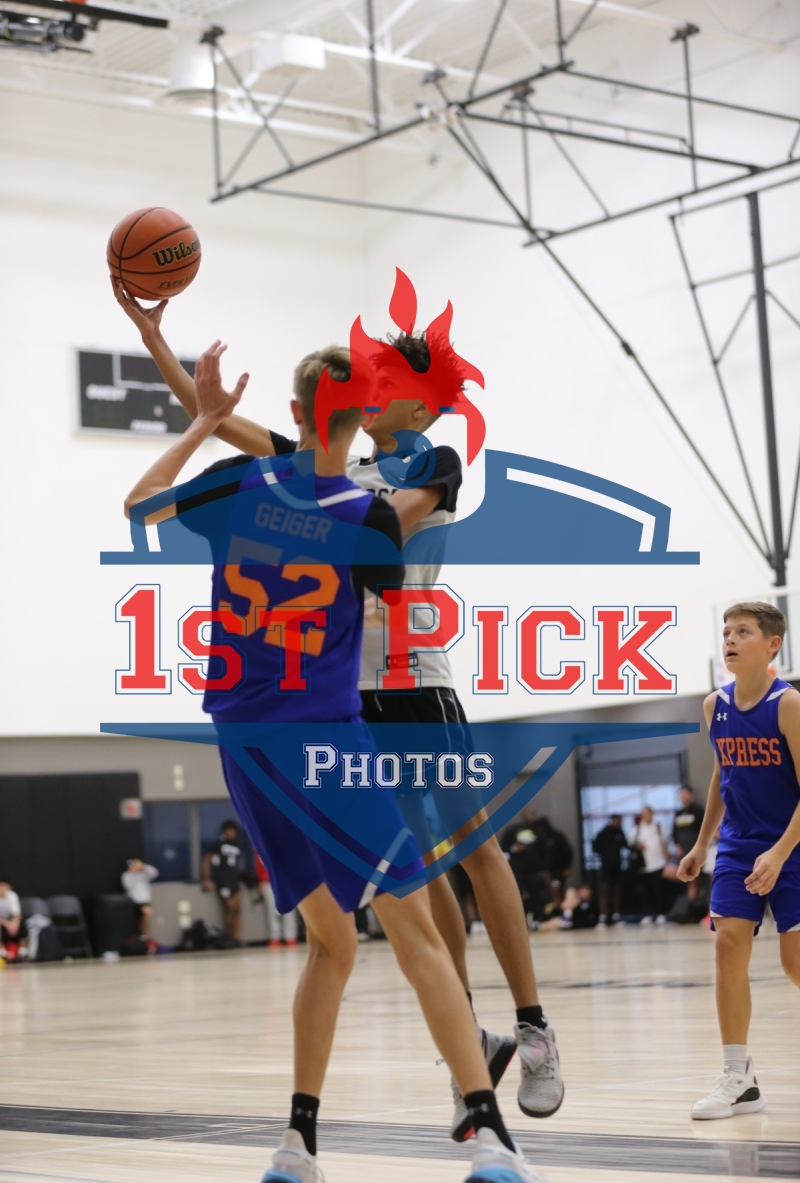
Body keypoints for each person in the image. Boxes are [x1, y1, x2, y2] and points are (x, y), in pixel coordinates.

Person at [113, 280, 565, 1145]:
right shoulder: (323, 472)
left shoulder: (430, 463)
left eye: (391, 379)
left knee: (472, 848)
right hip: (340, 697)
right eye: (370, 378)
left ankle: (535, 1023)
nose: (377, 384)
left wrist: (291, 498)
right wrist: (160, 346)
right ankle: (469, 1049)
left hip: (412, 681)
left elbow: (360, 520)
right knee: (415, 878)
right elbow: (220, 418)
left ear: (418, 404)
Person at [678, 601, 800, 1121]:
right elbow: (721, 775)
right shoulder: (715, 706)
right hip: (737, 847)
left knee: (794, 962)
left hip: (792, 845)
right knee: (728, 947)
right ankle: (739, 1079)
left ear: (772, 645)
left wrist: (780, 851)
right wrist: (702, 843)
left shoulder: (788, 705)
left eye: (743, 631)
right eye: (727, 631)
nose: (729, 639)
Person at [202, 819, 245, 944]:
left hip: (234, 880)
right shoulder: (218, 844)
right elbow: (206, 861)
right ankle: (229, 937)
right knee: (229, 908)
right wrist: (207, 879)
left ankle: (237, 938)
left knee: (237, 909)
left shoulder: (237, 844)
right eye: (229, 830)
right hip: (223, 880)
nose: (232, 833)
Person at [629, 806, 667, 925]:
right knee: (645, 891)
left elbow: (665, 844)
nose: (645, 816)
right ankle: (646, 914)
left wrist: (666, 860)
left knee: (659, 890)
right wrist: (638, 846)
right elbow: (631, 844)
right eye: (643, 814)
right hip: (643, 865)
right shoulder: (637, 829)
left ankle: (660, 914)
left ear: (652, 814)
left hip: (658, 863)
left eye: (647, 813)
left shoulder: (659, 827)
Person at [255, 851, 298, 947]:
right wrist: (261, 879)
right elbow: (258, 865)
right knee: (271, 911)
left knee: (289, 910)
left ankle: (290, 936)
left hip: (287, 880)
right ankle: (274, 937)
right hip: (268, 881)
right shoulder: (261, 847)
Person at [673, 785, 705, 901]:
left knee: (693, 879)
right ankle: (688, 901)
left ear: (691, 795)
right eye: (681, 794)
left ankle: (692, 904)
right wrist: (677, 845)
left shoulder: (698, 811)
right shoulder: (678, 813)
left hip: (694, 850)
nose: (682, 796)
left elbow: (703, 830)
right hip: (682, 850)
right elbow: (674, 832)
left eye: (685, 794)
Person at [592, 814, 626, 924]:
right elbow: (595, 847)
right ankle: (602, 916)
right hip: (605, 866)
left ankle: (616, 915)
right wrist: (605, 855)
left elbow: (626, 845)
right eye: (616, 821)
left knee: (616, 890)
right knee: (604, 890)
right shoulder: (603, 833)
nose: (618, 823)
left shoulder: (620, 833)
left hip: (617, 866)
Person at [121, 858, 158, 938]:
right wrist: (133, 873)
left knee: (147, 914)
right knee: (140, 916)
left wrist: (143, 866)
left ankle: (144, 935)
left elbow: (154, 873)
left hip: (144, 901)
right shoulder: (126, 876)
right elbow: (128, 885)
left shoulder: (143, 875)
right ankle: (140, 934)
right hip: (134, 901)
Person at [0, 877, 23, 961]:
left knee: (22, 924)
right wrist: (7, 924)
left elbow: (16, 914)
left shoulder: (12, 895)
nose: (2, 888)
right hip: (2, 922)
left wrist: (14, 923)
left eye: (4, 885)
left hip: (9, 921)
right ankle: (2, 953)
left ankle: (23, 952)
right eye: (0, 885)